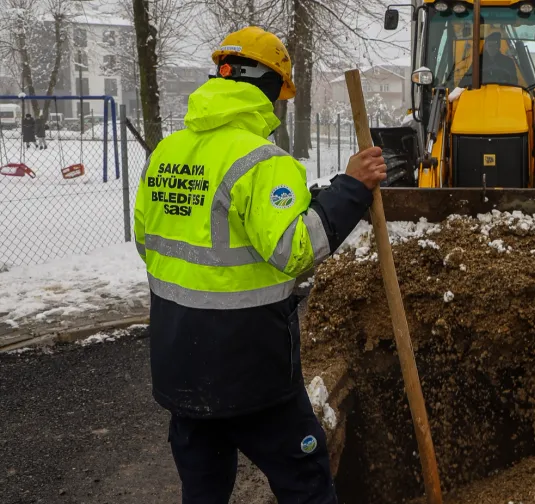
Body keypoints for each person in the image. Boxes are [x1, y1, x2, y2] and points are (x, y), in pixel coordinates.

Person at [133, 26, 386, 504]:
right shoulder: (261, 161)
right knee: (305, 482)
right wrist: (352, 189)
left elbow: (149, 243)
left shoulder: (167, 152)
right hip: (250, 372)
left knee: (203, 492)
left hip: (179, 368)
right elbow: (294, 249)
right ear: (270, 89)